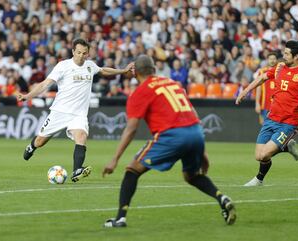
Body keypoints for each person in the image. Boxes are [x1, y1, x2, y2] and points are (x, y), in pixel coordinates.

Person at [102, 55, 236, 228]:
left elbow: (131, 128)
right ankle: (221, 198)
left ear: (134, 72)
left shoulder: (140, 92)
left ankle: (120, 218)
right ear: (154, 70)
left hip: (171, 135)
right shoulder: (174, 84)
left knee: (132, 170)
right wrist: (202, 151)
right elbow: (192, 114)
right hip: (195, 132)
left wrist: (115, 158)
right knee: (192, 175)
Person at [16, 38, 133, 183]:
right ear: (73, 52)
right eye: (78, 52)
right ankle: (31, 146)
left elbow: (103, 70)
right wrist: (27, 96)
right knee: (40, 141)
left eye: (84, 53)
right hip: (60, 111)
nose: (81, 56)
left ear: (88, 54)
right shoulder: (63, 66)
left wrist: (123, 70)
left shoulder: (90, 65)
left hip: (79, 114)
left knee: (81, 136)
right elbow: (45, 84)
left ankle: (77, 170)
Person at [236, 40, 298, 186]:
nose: (283, 55)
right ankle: (286, 147)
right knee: (259, 156)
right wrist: (245, 91)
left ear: (296, 57)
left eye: (287, 53)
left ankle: (259, 179)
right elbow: (262, 78)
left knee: (265, 153)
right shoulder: (279, 67)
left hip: (289, 123)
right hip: (271, 119)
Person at [254, 52, 278, 124]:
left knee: (276, 127)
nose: (272, 60)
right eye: (270, 59)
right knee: (265, 126)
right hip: (265, 105)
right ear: (267, 60)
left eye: (274, 59)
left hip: (277, 106)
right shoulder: (262, 72)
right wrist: (257, 103)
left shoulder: (281, 72)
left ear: (276, 60)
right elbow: (258, 88)